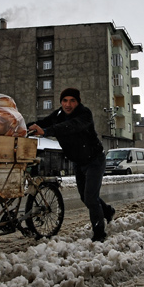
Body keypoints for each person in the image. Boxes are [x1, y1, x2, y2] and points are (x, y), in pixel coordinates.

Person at [28, 88, 115, 242]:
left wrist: (46, 131)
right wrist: (26, 126)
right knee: (85, 197)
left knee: (90, 197)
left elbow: (71, 126)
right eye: (65, 101)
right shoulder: (58, 114)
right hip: (78, 161)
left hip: (95, 160)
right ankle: (107, 211)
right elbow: (42, 122)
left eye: (72, 101)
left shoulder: (84, 114)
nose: (68, 104)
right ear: (61, 102)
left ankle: (99, 233)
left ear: (78, 101)